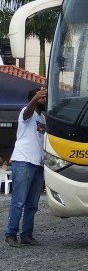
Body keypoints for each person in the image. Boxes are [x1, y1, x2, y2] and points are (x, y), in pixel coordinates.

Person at [4, 87, 47, 247]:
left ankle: (27, 235)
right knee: (18, 201)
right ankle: (10, 234)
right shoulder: (26, 112)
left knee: (32, 204)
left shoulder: (43, 118)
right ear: (34, 99)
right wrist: (35, 98)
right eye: (43, 98)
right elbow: (29, 110)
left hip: (38, 163)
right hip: (23, 161)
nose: (45, 100)